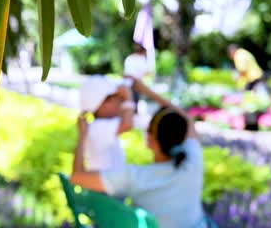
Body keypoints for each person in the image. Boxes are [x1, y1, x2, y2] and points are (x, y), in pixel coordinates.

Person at [72, 78, 205, 228]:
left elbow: (77, 177)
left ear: (149, 140)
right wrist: (147, 91)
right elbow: (187, 119)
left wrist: (81, 137)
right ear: (181, 137)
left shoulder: (134, 177)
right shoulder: (194, 160)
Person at [79, 75, 136, 171]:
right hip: (102, 185)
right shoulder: (98, 127)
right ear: (103, 104)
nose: (121, 103)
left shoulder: (99, 125)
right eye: (118, 99)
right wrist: (128, 97)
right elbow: (127, 125)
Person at [124, 43, 150, 112]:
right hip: (135, 84)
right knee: (134, 103)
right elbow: (146, 72)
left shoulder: (129, 58)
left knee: (129, 102)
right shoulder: (141, 59)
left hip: (126, 83)